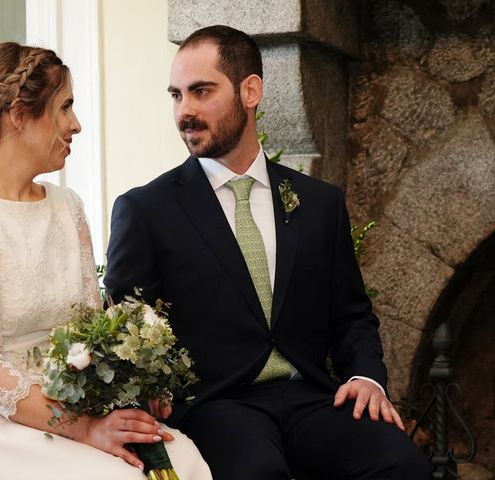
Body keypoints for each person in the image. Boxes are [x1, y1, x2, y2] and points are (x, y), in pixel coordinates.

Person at [105, 25, 432, 480]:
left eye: (201, 91)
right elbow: (127, 327)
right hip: (215, 405)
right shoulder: (145, 210)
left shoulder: (319, 202)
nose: (185, 111)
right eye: (176, 95)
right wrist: (153, 396)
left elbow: (352, 315)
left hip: (312, 398)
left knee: (403, 464)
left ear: (250, 91)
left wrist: (365, 378)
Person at [0, 42, 211, 480]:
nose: (77, 125)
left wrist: (135, 388)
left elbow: (90, 332)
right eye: (65, 107)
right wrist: (85, 429)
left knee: (181, 457)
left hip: (68, 400)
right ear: (19, 114)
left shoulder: (67, 206)